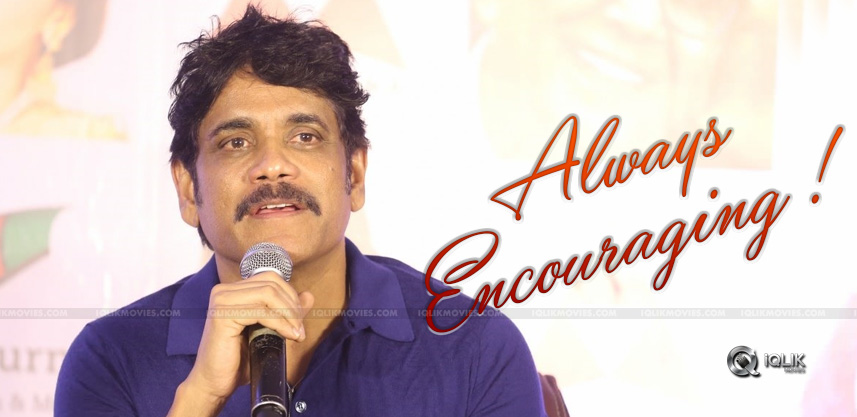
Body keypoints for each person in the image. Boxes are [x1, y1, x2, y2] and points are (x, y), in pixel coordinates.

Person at [54, 6, 546, 416]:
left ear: (355, 174)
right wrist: (201, 396)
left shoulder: (472, 344)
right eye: (236, 142)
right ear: (187, 189)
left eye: (305, 137)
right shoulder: (111, 359)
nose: (272, 165)